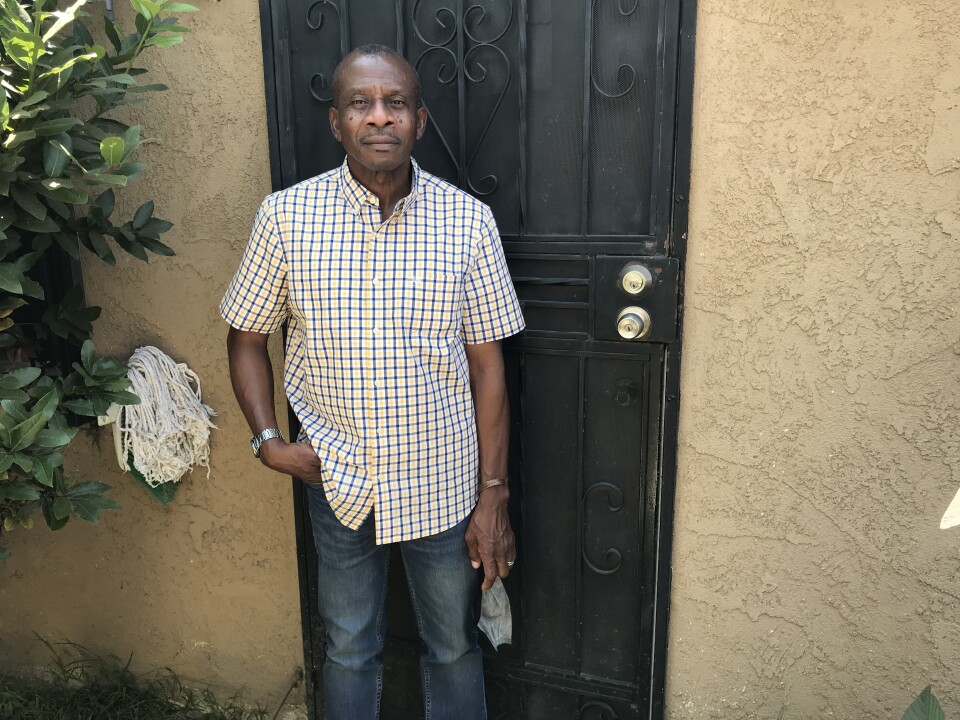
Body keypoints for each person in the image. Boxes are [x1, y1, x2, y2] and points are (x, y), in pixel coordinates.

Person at [219, 44, 525, 720]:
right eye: (362, 104)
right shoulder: (286, 218)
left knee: (451, 646)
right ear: (337, 122)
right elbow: (245, 339)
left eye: (395, 104)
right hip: (338, 477)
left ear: (419, 119)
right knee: (350, 646)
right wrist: (269, 440)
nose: (379, 118)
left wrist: (492, 495)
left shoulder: (467, 223)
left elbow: (488, 366)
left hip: (441, 481)